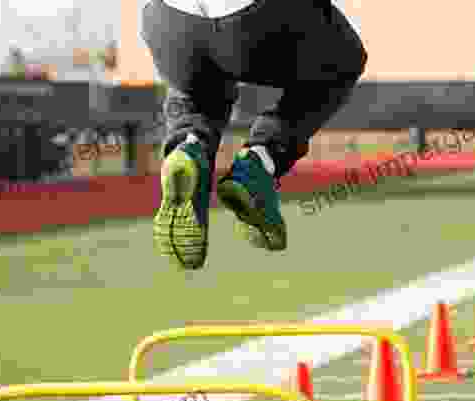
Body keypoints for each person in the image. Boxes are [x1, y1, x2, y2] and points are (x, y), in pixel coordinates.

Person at [143, 0, 368, 269]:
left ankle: (189, 146)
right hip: (252, 21)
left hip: (167, 22)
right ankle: (261, 158)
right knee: (345, 59)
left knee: (197, 88)